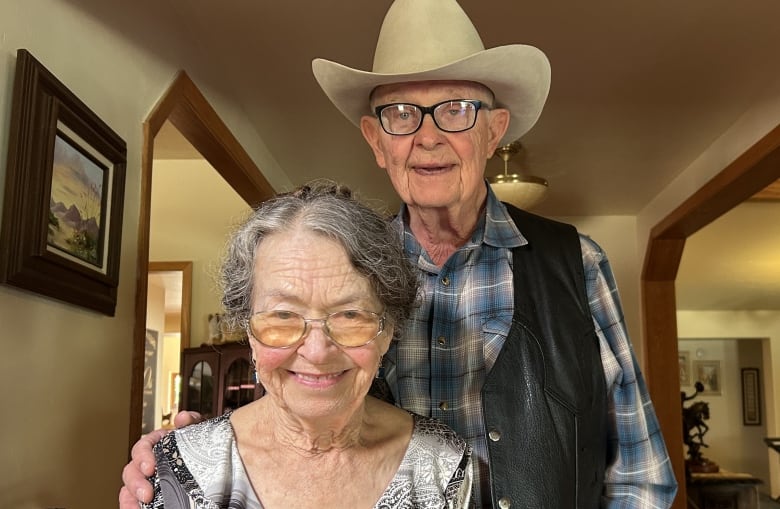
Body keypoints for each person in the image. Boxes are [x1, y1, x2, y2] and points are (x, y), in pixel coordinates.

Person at [122, 0, 678, 507]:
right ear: (376, 139)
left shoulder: (576, 263)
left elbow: (640, 472)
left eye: (457, 110)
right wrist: (191, 453)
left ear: (493, 131)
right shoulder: (346, 270)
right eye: (402, 114)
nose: (428, 137)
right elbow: (302, 389)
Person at [137, 182, 473, 508]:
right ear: (249, 331)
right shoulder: (178, 470)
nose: (316, 351)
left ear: (388, 331)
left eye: (350, 315)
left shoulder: (442, 465)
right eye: (283, 315)